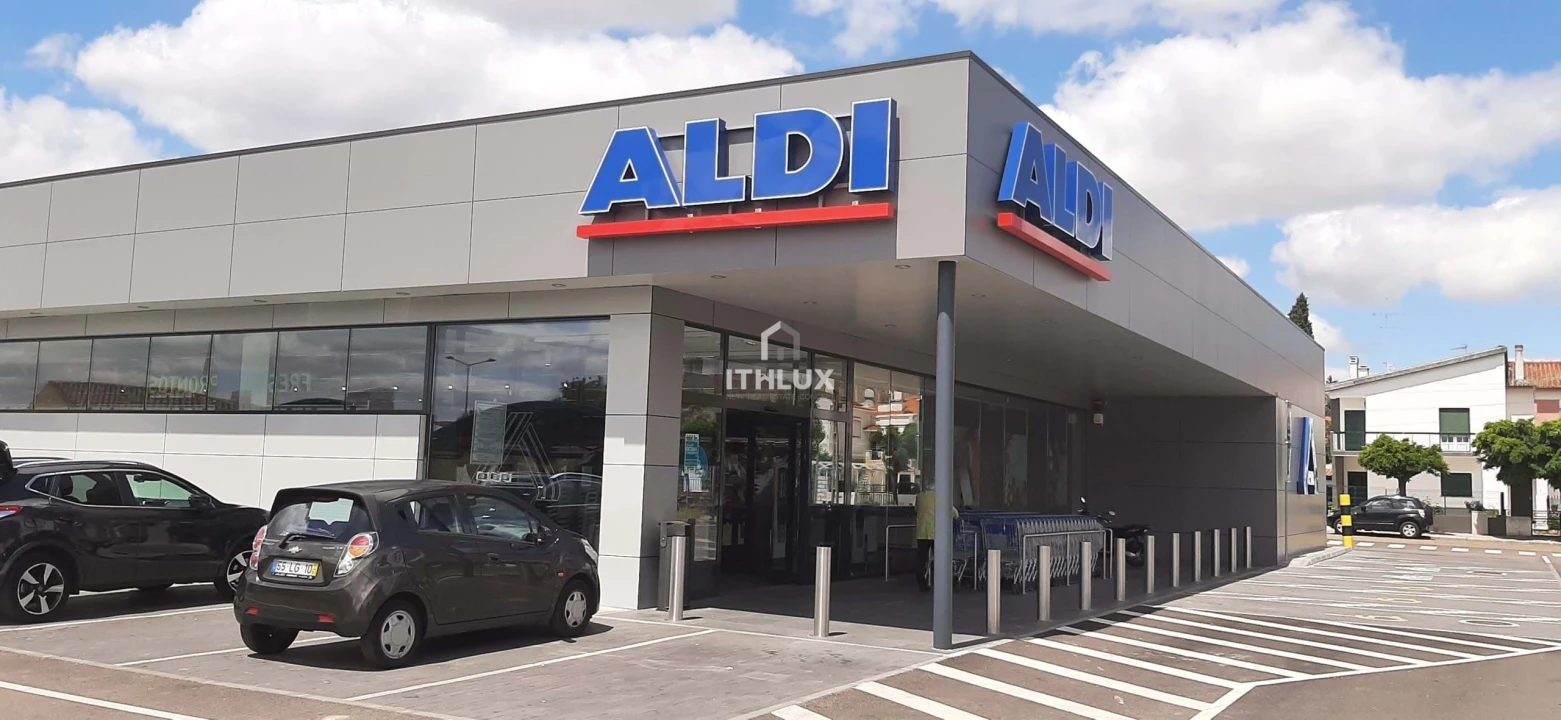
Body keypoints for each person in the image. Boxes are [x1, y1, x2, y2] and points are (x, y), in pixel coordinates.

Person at [915, 482, 957, 591]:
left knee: (921, 558)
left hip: (922, 532)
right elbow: (952, 512)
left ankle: (922, 583)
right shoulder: (940, 497)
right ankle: (945, 582)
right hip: (935, 532)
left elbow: (916, 509)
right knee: (941, 558)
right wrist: (956, 515)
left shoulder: (920, 497)